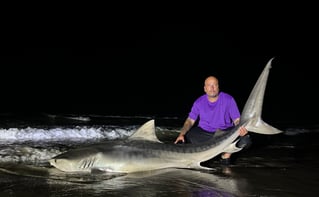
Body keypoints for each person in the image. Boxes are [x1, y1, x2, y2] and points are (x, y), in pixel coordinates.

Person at [174, 75, 251, 165]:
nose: (212, 88)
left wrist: (241, 129)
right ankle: (206, 156)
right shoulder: (199, 102)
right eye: (209, 85)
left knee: (246, 140)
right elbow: (190, 121)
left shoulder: (228, 99)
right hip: (205, 133)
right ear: (205, 88)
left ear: (218, 87)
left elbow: (237, 120)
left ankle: (226, 154)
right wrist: (181, 134)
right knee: (186, 138)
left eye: (215, 85)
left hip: (224, 132)